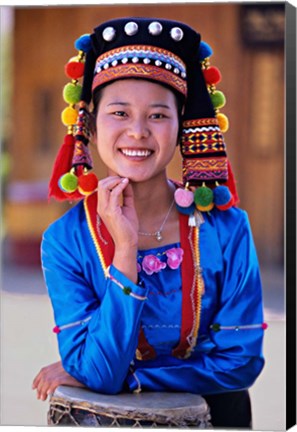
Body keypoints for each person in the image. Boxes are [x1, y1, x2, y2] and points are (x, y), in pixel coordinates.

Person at [32, 17, 266, 428]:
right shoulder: (66, 241)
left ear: (181, 129)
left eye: (158, 116)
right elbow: (98, 373)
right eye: (119, 112)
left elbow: (240, 362)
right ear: (89, 124)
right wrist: (124, 251)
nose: (137, 132)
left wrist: (133, 377)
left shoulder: (227, 230)